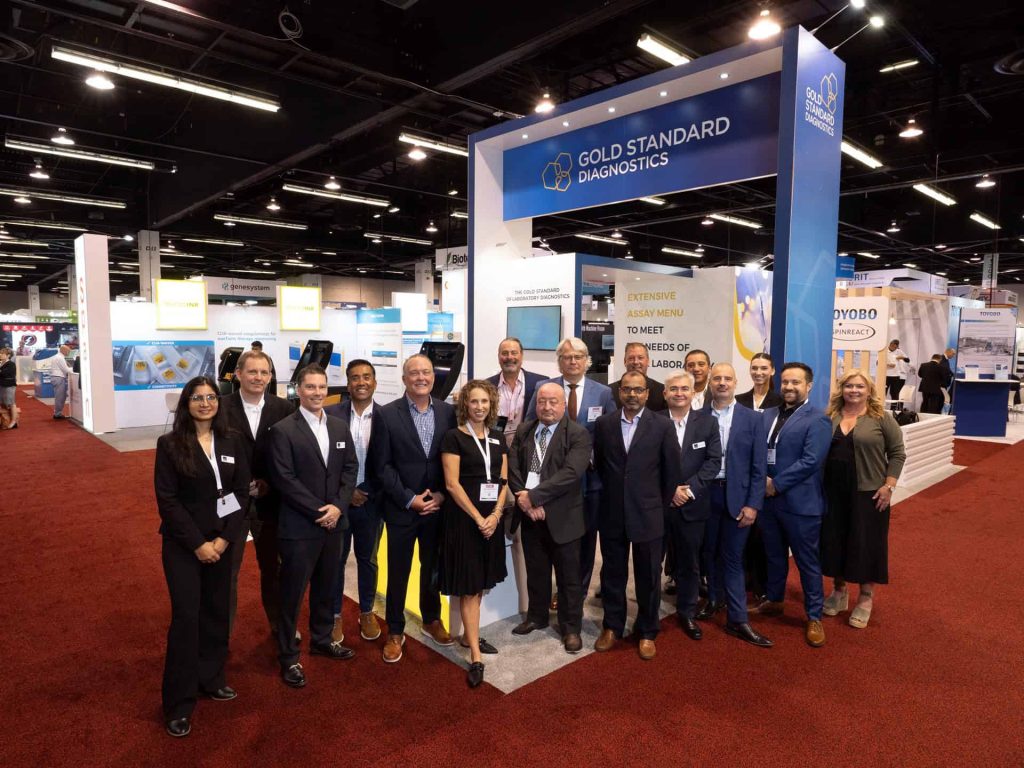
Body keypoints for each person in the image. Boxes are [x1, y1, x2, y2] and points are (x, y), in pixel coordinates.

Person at [154, 376, 250, 738]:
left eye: (211, 397)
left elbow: (241, 493)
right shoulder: (170, 444)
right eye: (197, 398)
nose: (205, 403)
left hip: (222, 543)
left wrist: (224, 540)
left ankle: (211, 678)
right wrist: (198, 544)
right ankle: (178, 703)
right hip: (184, 546)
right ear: (186, 403)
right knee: (186, 619)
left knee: (216, 612)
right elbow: (168, 501)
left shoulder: (232, 440)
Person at [269, 365, 359, 688]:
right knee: (292, 595)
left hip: (334, 525)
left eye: (322, 386)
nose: (317, 392)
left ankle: (322, 640)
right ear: (298, 389)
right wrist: (320, 511)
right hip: (299, 527)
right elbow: (284, 479)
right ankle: (288, 656)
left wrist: (338, 507)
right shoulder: (283, 430)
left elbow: (350, 468)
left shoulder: (338, 426)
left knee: (327, 586)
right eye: (310, 387)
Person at [370, 354, 457, 663]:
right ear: (404, 379)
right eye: (415, 373)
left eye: (426, 372)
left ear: (434, 376)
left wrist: (443, 495)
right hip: (402, 508)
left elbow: (453, 458)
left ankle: (431, 619)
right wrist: (409, 498)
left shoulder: (448, 412)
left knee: (432, 568)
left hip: (437, 507)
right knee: (398, 571)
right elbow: (382, 466)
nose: (421, 377)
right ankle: (395, 629)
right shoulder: (387, 414)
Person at [593, 371, 680, 660]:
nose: (632, 395)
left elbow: (671, 473)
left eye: (638, 390)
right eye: (627, 389)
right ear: (619, 392)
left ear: (647, 394)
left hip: (649, 514)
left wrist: (658, 506)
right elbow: (601, 466)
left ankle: (647, 630)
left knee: (649, 576)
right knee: (613, 574)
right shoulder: (604, 424)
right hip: (613, 513)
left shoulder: (663, 425)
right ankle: (612, 626)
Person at [527, 337, 615, 598]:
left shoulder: (603, 393)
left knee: (586, 539)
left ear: (586, 360)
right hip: (552, 480)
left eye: (578, 356)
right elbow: (530, 428)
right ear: (560, 361)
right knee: (555, 536)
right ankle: (554, 589)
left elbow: (610, 435)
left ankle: (578, 591)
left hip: (590, 481)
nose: (573, 361)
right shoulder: (544, 388)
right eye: (567, 357)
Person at [752, 363, 833, 647]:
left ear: (808, 386)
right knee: (774, 555)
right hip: (768, 503)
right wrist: (761, 481)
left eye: (796, 382)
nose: (789, 387)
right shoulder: (767, 415)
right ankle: (775, 600)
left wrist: (776, 484)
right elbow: (756, 451)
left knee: (807, 562)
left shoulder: (818, 419)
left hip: (800, 504)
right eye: (785, 382)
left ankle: (814, 616)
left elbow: (811, 461)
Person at [508, 382, 591, 653]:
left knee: (569, 578)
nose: (546, 407)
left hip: (563, 518)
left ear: (563, 404)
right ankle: (537, 616)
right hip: (531, 516)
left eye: (553, 402)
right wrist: (524, 499)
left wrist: (534, 497)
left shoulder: (577, 434)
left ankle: (571, 628)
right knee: (536, 570)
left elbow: (571, 473)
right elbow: (513, 467)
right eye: (542, 401)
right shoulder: (524, 430)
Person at [219, 350, 296, 636]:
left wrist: (270, 483)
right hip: (229, 503)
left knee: (275, 569)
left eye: (264, 372)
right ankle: (221, 633)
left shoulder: (284, 409)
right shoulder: (220, 408)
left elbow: (290, 458)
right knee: (227, 571)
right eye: (252, 371)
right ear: (238, 374)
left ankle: (280, 628)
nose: (258, 377)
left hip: (271, 503)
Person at [821, 371, 906, 629]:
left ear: (869, 390)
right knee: (835, 541)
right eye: (849, 385)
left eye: (859, 386)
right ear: (841, 389)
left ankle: (866, 598)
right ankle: (839, 591)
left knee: (866, 544)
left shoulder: (881, 418)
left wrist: (889, 486)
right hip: (833, 491)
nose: (854, 390)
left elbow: (897, 453)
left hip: (869, 493)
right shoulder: (831, 416)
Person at [438, 380, 509, 687]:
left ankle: (469, 636)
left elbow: (503, 481)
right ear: (465, 404)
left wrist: (495, 515)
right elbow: (452, 485)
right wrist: (480, 518)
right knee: (469, 587)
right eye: (474, 401)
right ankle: (476, 656)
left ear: (491, 405)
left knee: (480, 583)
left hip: (491, 521)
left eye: (484, 402)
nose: (479, 407)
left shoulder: (497, 437)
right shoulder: (454, 437)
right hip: (465, 520)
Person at [695, 363, 771, 647]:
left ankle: (738, 619)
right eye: (717, 378)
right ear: (710, 383)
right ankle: (715, 599)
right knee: (708, 553)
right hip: (706, 495)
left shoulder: (752, 419)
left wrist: (753, 504)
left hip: (738, 498)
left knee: (733, 558)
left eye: (727, 378)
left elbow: (759, 467)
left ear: (736, 382)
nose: (722, 383)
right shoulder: (698, 417)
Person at [324, 359, 384, 644]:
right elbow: (324, 460)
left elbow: (388, 463)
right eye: (355, 378)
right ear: (348, 384)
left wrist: (366, 490)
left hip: (372, 502)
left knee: (368, 559)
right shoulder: (330, 415)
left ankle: (367, 611)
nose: (361, 382)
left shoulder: (387, 417)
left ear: (375, 382)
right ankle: (334, 614)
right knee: (335, 560)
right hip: (339, 502)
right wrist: (347, 493)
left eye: (367, 377)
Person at [663, 371, 722, 641]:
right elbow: (644, 463)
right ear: (665, 393)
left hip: (692, 505)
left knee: (690, 563)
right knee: (650, 562)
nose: (679, 393)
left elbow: (713, 462)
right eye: (674, 388)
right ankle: (648, 613)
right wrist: (669, 491)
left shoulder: (707, 423)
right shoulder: (653, 421)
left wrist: (687, 490)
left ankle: (686, 611)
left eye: (684, 389)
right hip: (658, 505)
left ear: (692, 392)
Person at [735, 352, 781, 602]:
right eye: (755, 368)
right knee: (742, 533)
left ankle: (763, 586)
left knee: (766, 537)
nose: (759, 372)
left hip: (770, 477)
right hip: (742, 472)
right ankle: (742, 582)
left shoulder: (780, 401)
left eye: (764, 368)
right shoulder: (739, 400)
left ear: (772, 370)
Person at [485, 337, 546, 447]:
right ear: (498, 357)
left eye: (514, 353)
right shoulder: (487, 385)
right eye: (505, 353)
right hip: (495, 445)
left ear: (521, 356)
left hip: (529, 445)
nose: (509, 357)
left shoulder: (540, 383)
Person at [610, 342, 666, 411]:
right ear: (625, 361)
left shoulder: (661, 391)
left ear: (648, 361)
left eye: (640, 358)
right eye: (631, 358)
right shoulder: (610, 391)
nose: (636, 362)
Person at [50, 345, 71, 419]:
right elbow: (66, 370)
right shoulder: (60, 358)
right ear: (64, 351)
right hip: (59, 378)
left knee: (60, 396)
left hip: (56, 377)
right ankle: (57, 414)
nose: (69, 352)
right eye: (68, 351)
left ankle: (58, 413)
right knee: (60, 397)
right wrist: (73, 369)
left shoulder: (56, 356)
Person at [0, 347, 19, 429]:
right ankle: (5, 420)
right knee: (3, 403)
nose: (0, 355)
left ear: (8, 355)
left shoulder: (11, 364)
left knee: (11, 403)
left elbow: (5, 374)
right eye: (0, 353)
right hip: (2, 385)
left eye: (2, 353)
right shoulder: (2, 363)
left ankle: (14, 421)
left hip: (9, 386)